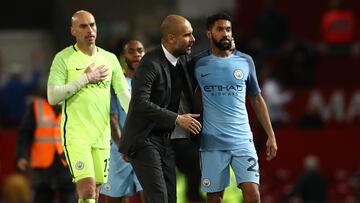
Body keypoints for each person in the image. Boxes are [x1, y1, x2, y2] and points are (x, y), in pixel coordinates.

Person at [192, 13, 278, 203]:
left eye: (228, 29)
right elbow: (184, 96)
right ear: (209, 33)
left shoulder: (245, 61)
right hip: (212, 142)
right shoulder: (198, 63)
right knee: (215, 197)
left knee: (253, 195)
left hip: (242, 141)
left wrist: (270, 135)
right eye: (220, 29)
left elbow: (257, 99)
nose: (225, 33)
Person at [47, 10, 131, 203]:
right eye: (83, 26)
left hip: (102, 135)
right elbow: (52, 97)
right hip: (76, 135)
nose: (90, 30)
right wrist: (86, 78)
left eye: (92, 25)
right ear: (73, 31)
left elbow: (123, 94)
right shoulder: (64, 58)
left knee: (95, 191)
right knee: (86, 189)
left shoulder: (109, 59)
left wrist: (139, 116)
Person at [119, 15, 202, 203]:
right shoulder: (150, 62)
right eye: (187, 35)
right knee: (159, 199)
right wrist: (177, 119)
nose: (193, 39)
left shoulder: (181, 61)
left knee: (170, 199)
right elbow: (140, 103)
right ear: (171, 38)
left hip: (166, 140)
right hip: (144, 139)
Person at [100, 40, 145, 203]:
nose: (136, 55)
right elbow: (112, 119)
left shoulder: (151, 83)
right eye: (131, 51)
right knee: (115, 200)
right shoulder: (115, 84)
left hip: (145, 150)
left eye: (140, 51)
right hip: (119, 152)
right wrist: (123, 147)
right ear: (123, 56)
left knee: (150, 196)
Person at [16, 91, 76, 203]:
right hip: (42, 168)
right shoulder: (36, 106)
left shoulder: (75, 104)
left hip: (68, 165)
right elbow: (25, 134)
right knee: (42, 198)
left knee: (70, 198)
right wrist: (22, 156)